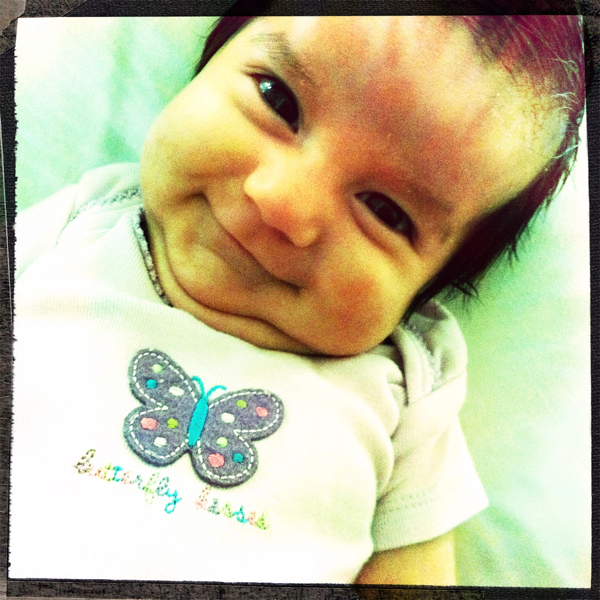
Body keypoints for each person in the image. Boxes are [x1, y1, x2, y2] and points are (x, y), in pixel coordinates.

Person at [10, 13, 585, 586]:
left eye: (384, 211)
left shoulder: (408, 388)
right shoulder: (77, 225)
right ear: (205, 67)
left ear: (423, 289)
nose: (282, 201)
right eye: (277, 100)